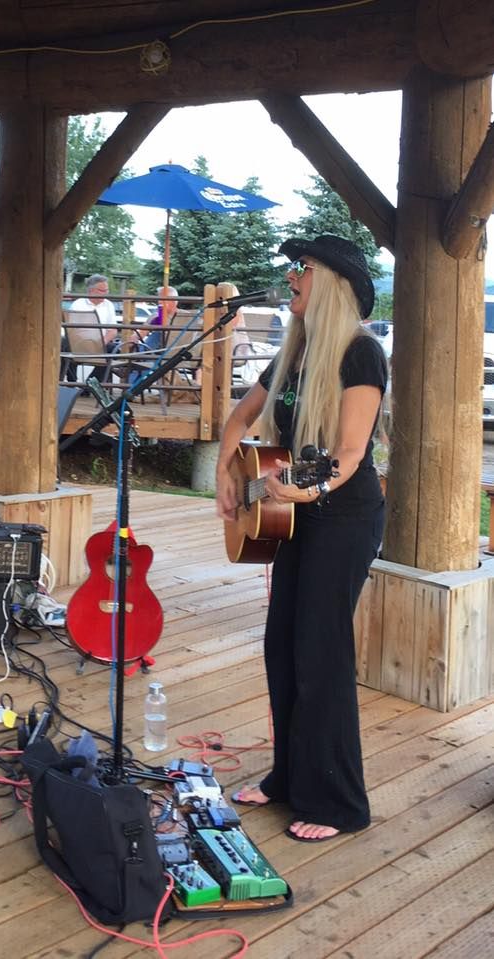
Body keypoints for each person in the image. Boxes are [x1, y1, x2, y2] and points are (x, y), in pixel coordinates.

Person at [216, 234, 387, 843]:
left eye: (302, 267)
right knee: (282, 646)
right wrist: (227, 473)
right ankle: (289, 778)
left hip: (343, 518)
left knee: (321, 653)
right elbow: (241, 417)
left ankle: (338, 802)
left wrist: (307, 490)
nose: (291, 276)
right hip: (292, 517)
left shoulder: (360, 354)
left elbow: (348, 454)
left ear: (332, 283)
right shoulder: (295, 353)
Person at [68, 273, 120, 382]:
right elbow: (71, 329)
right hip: (79, 343)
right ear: (91, 290)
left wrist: (102, 342)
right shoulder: (78, 304)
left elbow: (113, 330)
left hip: (101, 343)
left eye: (107, 290)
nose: (106, 293)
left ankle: (91, 384)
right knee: (64, 345)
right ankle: (71, 382)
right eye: (102, 291)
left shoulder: (108, 305)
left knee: (114, 350)